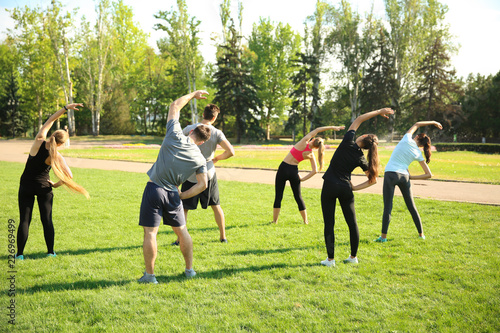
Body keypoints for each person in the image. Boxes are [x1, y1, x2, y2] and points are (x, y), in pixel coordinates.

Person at [138, 90, 211, 284]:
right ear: (202, 142)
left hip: (154, 189)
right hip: (173, 194)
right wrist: (183, 195)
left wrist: (193, 94)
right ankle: (189, 270)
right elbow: (203, 185)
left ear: (191, 131)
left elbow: (174, 106)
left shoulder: (176, 134)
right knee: (182, 232)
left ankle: (150, 276)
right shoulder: (200, 158)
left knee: (151, 233)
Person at [320, 108, 394, 267]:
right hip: (346, 188)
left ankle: (330, 260)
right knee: (352, 223)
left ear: (364, 137)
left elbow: (359, 118)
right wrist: (354, 188)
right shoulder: (361, 157)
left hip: (330, 185)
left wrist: (378, 112)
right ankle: (353, 257)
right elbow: (372, 180)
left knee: (329, 223)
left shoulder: (348, 141)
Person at [16, 103, 89, 260]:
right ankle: (50, 252)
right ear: (61, 144)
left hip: (26, 186)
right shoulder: (56, 156)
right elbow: (69, 175)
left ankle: (19, 255)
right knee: (46, 220)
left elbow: (50, 120)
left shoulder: (38, 141)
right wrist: (55, 184)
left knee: (24, 220)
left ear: (52, 135)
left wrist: (65, 108)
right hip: (44, 188)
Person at [171, 104, 234, 245]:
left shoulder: (189, 129)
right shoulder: (217, 132)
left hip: (190, 172)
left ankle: (179, 239)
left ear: (203, 114)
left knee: (184, 208)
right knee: (216, 205)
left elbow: (176, 143)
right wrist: (216, 158)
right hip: (208, 173)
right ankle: (223, 237)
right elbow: (231, 151)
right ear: (214, 117)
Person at [375, 121, 443, 243]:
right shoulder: (418, 153)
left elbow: (417, 124)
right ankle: (421, 234)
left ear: (416, 137)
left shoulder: (407, 139)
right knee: (412, 206)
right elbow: (429, 174)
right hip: (404, 177)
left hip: (391, 174)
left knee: (388, 207)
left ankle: (383, 238)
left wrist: (433, 122)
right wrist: (411, 177)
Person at [272, 125, 345, 224]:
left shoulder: (303, 142)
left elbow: (317, 130)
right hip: (294, 172)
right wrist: (302, 179)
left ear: (313, 139)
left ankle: (275, 221)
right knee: (298, 197)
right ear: (316, 147)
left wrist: (333, 127)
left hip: (283, 168)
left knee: (278, 196)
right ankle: (305, 221)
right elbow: (315, 170)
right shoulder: (311, 154)